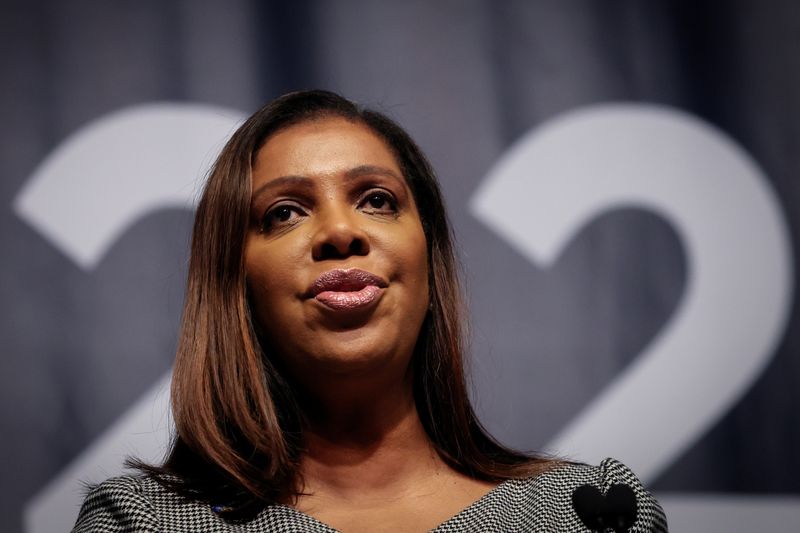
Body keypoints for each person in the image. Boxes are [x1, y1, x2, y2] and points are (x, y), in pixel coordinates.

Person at [72, 90, 668, 532]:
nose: (339, 231)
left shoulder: (592, 513)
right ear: (237, 283)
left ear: (429, 259)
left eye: (377, 200)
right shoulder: (141, 522)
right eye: (283, 212)